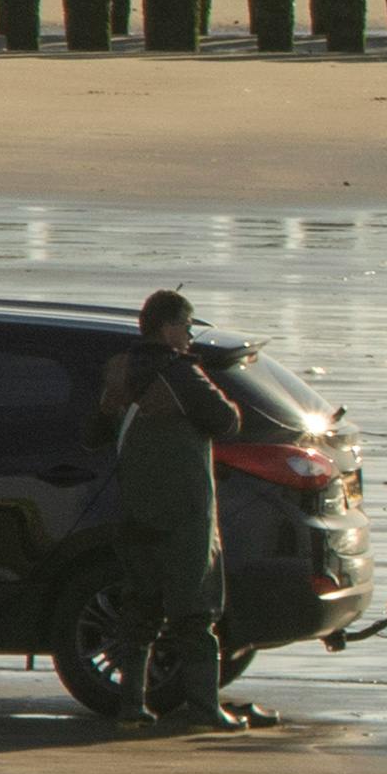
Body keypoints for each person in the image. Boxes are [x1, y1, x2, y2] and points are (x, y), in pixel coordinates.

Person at [95, 290, 242, 729]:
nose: (190, 334)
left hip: (135, 508)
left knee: (138, 612)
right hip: (184, 514)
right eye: (187, 325)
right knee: (195, 614)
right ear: (169, 327)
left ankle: (131, 707)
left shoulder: (118, 372)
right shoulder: (182, 376)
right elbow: (227, 420)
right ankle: (204, 708)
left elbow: (94, 431)